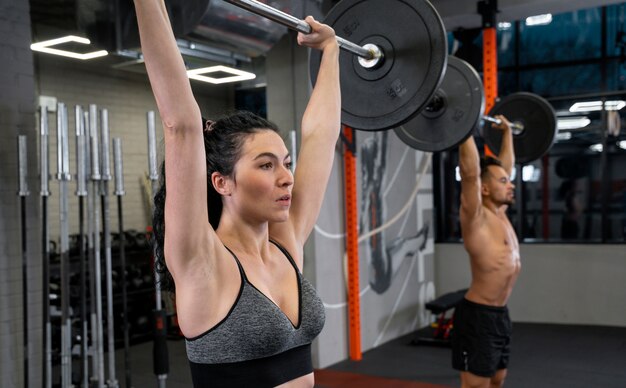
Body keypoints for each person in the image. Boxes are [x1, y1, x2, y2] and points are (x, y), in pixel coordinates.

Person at [133, 1, 340, 386]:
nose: (287, 177)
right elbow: (182, 125)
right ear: (221, 182)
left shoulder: (285, 243)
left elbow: (321, 137)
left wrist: (330, 52)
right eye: (266, 165)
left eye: (286, 162)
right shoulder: (202, 261)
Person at [452, 116, 521, 388]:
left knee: (497, 379)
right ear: (484, 188)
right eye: (504, 182)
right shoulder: (475, 217)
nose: (510, 184)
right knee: (476, 385)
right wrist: (462, 125)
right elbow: (470, 173)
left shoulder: (500, 213)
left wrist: (508, 134)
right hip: (478, 317)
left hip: (500, 314)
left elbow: (507, 168)